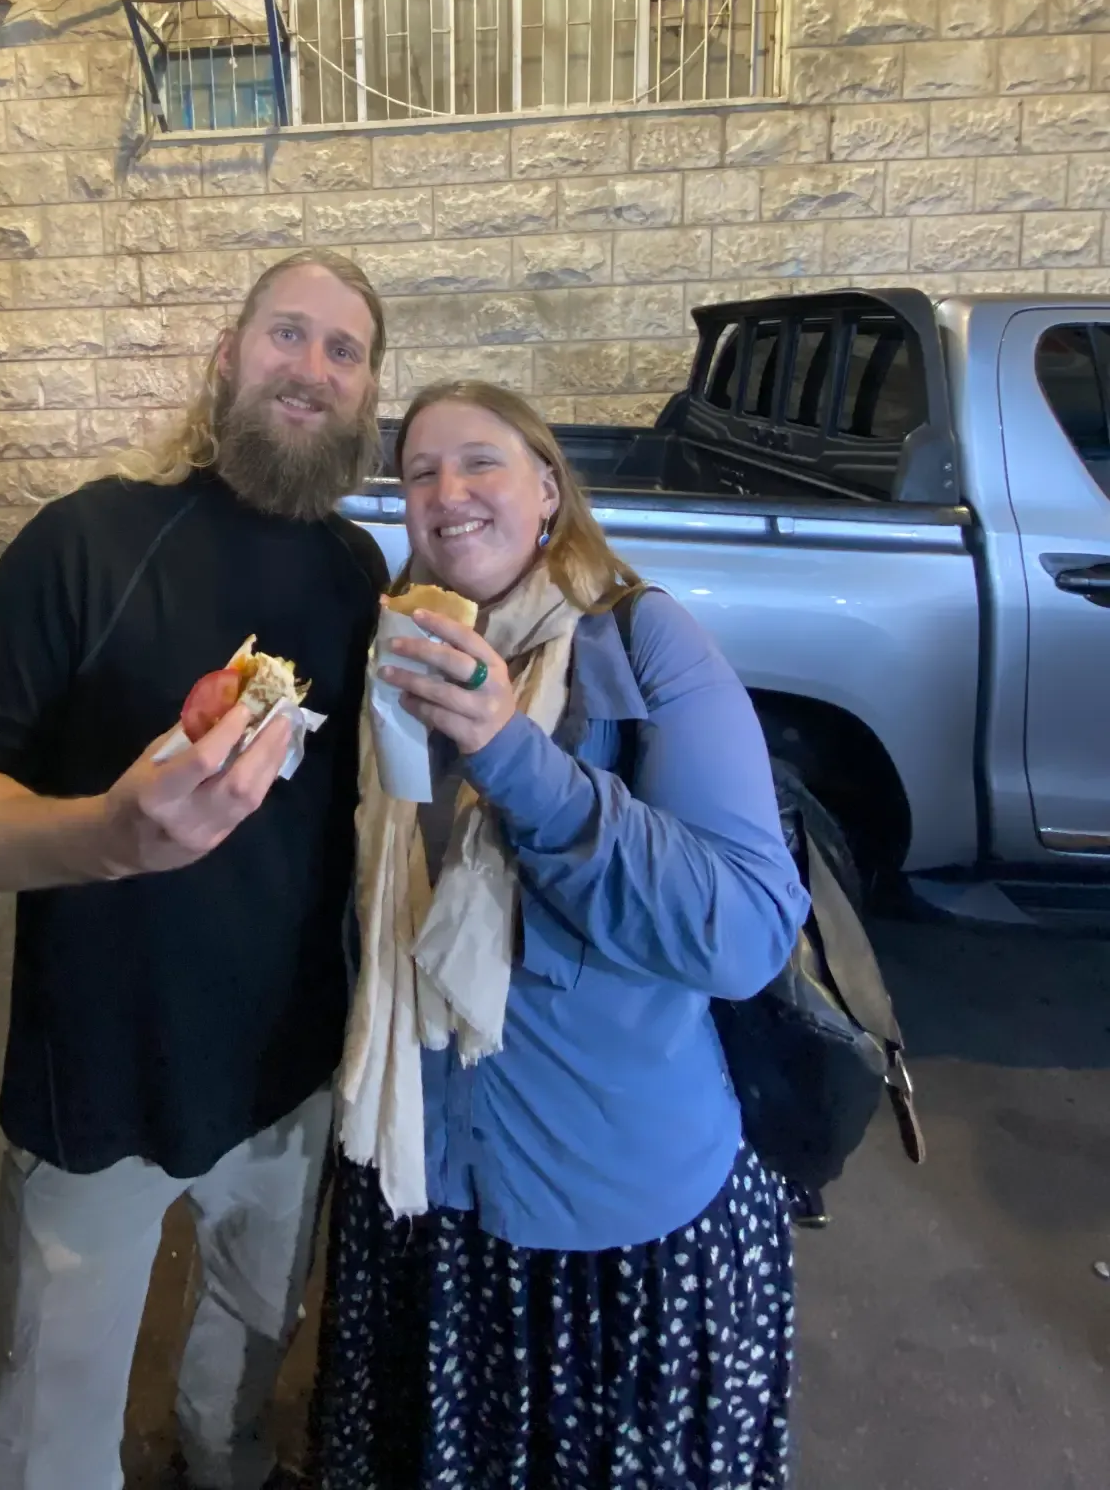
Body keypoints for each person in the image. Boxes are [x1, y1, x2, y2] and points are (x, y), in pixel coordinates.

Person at [0, 249, 390, 1490]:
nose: (312, 367)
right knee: (48, 1427)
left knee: (246, 1366)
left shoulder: (360, 573)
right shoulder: (86, 541)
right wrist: (106, 838)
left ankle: (226, 1465)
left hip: (291, 1071)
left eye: (345, 350)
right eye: (287, 333)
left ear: (367, 396)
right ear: (227, 358)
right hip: (104, 1077)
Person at [312, 380, 810, 1490]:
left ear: (548, 488)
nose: (447, 491)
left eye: (479, 462)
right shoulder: (399, 645)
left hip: (613, 1228)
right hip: (427, 1204)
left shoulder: (643, 639)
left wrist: (513, 755)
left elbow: (745, 932)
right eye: (421, 472)